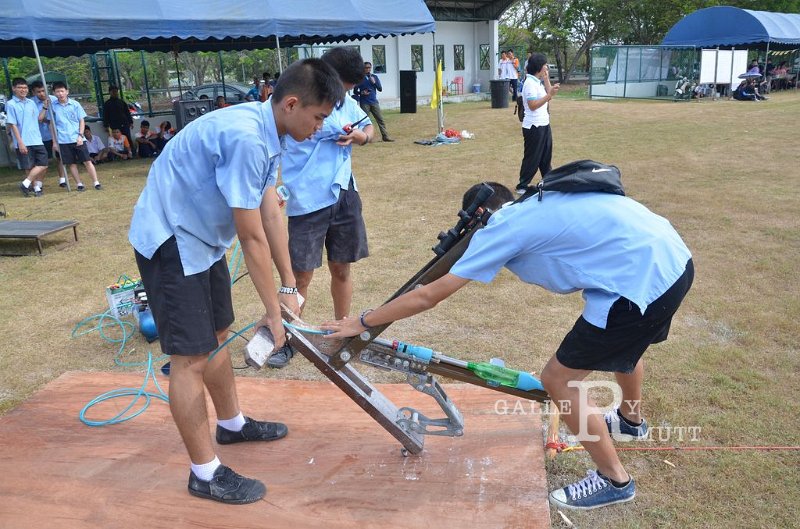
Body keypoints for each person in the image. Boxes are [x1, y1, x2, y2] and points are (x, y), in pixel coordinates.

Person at [321, 179, 694, 511]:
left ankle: (615, 481)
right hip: (672, 258)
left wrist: (363, 321)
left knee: (558, 379)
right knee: (627, 344)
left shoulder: (501, 227)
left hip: (638, 283)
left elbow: (429, 295)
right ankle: (630, 421)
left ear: (479, 215)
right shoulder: (535, 201)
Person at [128, 58, 344, 505]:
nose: (321, 126)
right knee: (190, 357)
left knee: (218, 335)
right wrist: (273, 315)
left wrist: (290, 288)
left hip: (201, 240)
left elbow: (270, 212)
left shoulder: (271, 131)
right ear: (291, 104)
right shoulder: (247, 138)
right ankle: (204, 474)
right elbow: (251, 236)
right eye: (319, 116)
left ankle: (231, 425)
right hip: (171, 239)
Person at [272, 47, 375, 369]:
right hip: (307, 200)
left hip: (344, 193)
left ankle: (341, 333)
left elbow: (368, 129)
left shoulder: (347, 103)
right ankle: (287, 339)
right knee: (299, 276)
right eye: (343, 87)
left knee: (342, 268)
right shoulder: (300, 103)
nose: (343, 95)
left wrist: (360, 137)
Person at [516, 53, 559, 194]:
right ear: (539, 67)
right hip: (534, 126)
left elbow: (548, 95)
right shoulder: (529, 83)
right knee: (532, 157)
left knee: (546, 156)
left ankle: (549, 181)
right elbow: (533, 105)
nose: (547, 67)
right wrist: (549, 95)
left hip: (544, 123)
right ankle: (522, 185)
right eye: (545, 65)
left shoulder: (537, 82)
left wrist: (546, 80)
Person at [50, 82, 102, 191]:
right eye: (57, 91)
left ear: (67, 92)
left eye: (62, 91)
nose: (60, 94)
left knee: (87, 161)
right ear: (54, 93)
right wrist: (54, 142)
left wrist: (80, 135)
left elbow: (81, 120)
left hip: (77, 138)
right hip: (63, 140)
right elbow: (52, 125)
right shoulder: (52, 106)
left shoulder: (75, 104)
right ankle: (79, 184)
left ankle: (96, 182)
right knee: (71, 163)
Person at [7, 78, 48, 197]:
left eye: (25, 88)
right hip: (23, 140)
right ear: (14, 89)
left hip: (36, 138)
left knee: (43, 164)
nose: (23, 90)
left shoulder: (31, 102)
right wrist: (20, 142)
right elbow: (13, 124)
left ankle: (25, 183)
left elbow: (38, 118)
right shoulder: (11, 104)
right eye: (20, 88)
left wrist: (45, 107)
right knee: (29, 166)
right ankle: (36, 188)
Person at [29, 80, 67, 186]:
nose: (42, 94)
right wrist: (45, 108)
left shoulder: (54, 99)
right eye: (38, 92)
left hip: (56, 134)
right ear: (33, 92)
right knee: (43, 161)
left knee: (60, 157)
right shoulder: (31, 103)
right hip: (41, 136)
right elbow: (39, 119)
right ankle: (39, 183)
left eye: (43, 91)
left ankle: (62, 179)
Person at [353, 61, 393, 142]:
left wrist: (374, 82)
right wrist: (361, 93)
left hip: (374, 101)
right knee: (364, 121)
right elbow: (355, 91)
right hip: (364, 102)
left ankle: (385, 137)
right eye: (366, 68)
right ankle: (363, 138)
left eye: (369, 67)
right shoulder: (360, 78)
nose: (368, 69)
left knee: (380, 119)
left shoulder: (374, 77)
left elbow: (380, 89)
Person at [102, 85, 134, 157]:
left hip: (124, 123)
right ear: (110, 92)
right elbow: (105, 115)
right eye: (113, 92)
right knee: (115, 140)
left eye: (116, 91)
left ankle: (131, 153)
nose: (115, 93)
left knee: (127, 138)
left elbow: (127, 113)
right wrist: (106, 125)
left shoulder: (122, 102)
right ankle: (117, 154)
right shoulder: (107, 104)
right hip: (114, 125)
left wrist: (131, 122)